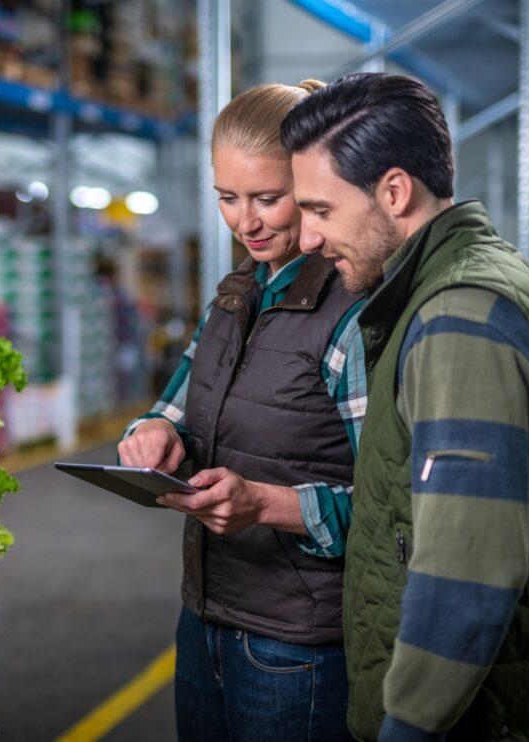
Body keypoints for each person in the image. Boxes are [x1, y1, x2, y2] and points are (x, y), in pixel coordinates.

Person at [280, 72, 529, 741]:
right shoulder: (458, 288)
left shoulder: (460, 316)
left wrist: (408, 726)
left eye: (321, 210)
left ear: (394, 192)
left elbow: (467, 563)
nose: (306, 238)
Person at [119, 80, 366, 741]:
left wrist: (266, 505)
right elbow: (171, 409)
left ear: (313, 184)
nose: (245, 221)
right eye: (228, 198)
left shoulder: (353, 315)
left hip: (301, 645)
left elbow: (395, 512)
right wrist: (152, 434)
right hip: (206, 620)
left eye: (268, 198)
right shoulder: (233, 298)